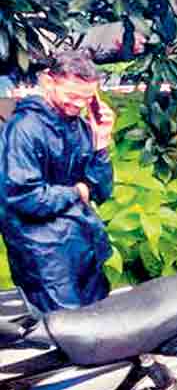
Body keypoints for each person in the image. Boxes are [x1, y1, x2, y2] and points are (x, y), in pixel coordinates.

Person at [0, 49, 115, 314]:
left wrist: (101, 142)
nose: (77, 105)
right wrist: (77, 191)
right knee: (65, 333)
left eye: (86, 99)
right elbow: (24, 197)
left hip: (82, 245)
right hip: (45, 257)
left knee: (100, 324)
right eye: (72, 95)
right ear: (49, 82)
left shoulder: (81, 126)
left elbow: (102, 190)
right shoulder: (25, 129)